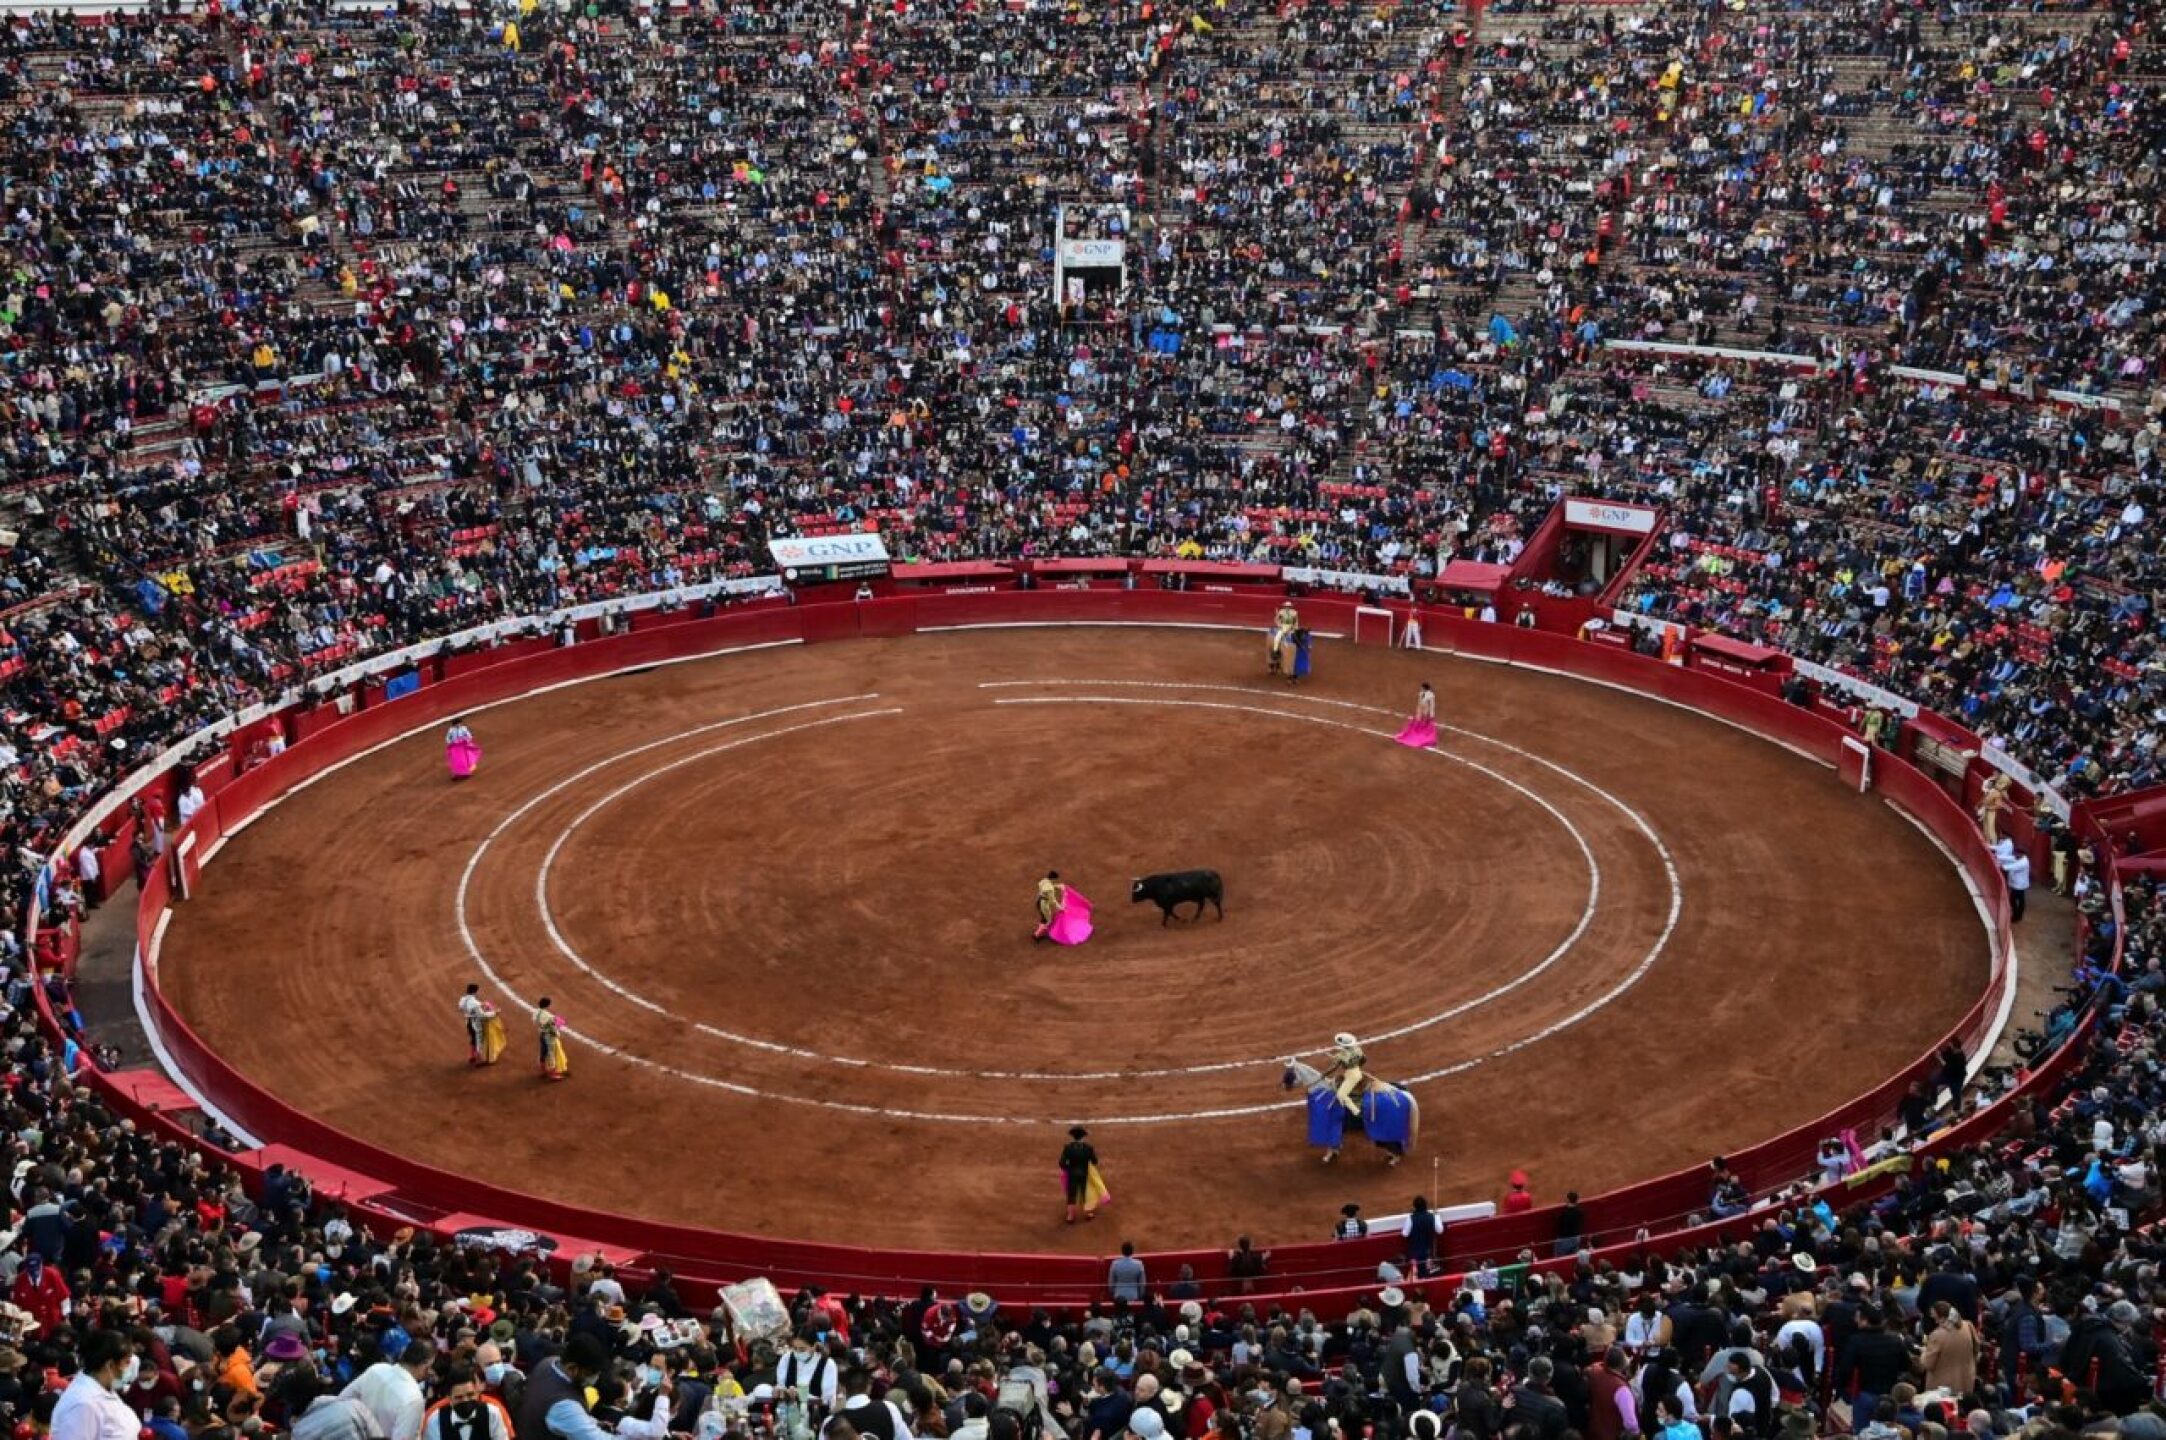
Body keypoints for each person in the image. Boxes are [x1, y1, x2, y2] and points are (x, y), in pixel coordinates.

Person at [51, 1330, 140, 1440]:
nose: (130, 1366)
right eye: (126, 1362)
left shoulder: (104, 1388)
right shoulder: (83, 1404)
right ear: (110, 1365)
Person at [341, 1338, 435, 1440]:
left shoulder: (377, 1369)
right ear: (425, 1364)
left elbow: (342, 1400)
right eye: (432, 1365)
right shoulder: (413, 1398)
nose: (431, 1371)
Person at [1059, 1126, 1106, 1224]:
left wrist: (1069, 1168)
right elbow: (1094, 1161)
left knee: (1072, 1194)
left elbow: (1062, 1163)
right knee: (1085, 1192)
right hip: (1084, 1173)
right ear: (1083, 1136)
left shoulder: (1068, 1148)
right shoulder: (1088, 1148)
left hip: (1072, 1174)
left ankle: (1070, 1216)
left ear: (1073, 1136)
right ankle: (1088, 1213)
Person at [1321, 1033, 1366, 1115]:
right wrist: (1356, 1065)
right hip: (1357, 1071)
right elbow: (1364, 1059)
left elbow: (1334, 1067)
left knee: (1341, 1095)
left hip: (1351, 1076)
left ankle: (1357, 1112)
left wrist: (1324, 1074)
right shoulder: (1358, 1049)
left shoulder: (1341, 1055)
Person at [535, 999, 570, 1081]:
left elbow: (537, 1022)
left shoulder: (536, 1013)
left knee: (543, 1053)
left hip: (542, 1034)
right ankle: (552, 1075)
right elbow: (554, 1027)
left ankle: (543, 1070)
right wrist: (556, 1031)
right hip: (549, 1037)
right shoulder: (548, 1016)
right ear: (547, 1005)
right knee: (551, 1054)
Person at [1269, 602, 1300, 675]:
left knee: (1295, 638)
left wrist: (1295, 628)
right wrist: (1279, 625)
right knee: (1277, 638)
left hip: (1291, 627)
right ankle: (1275, 651)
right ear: (1284, 606)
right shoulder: (1281, 612)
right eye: (1286, 606)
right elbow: (1276, 619)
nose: (1287, 607)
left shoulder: (1294, 613)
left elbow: (1296, 622)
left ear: (1291, 607)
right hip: (1283, 627)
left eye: (1289, 606)